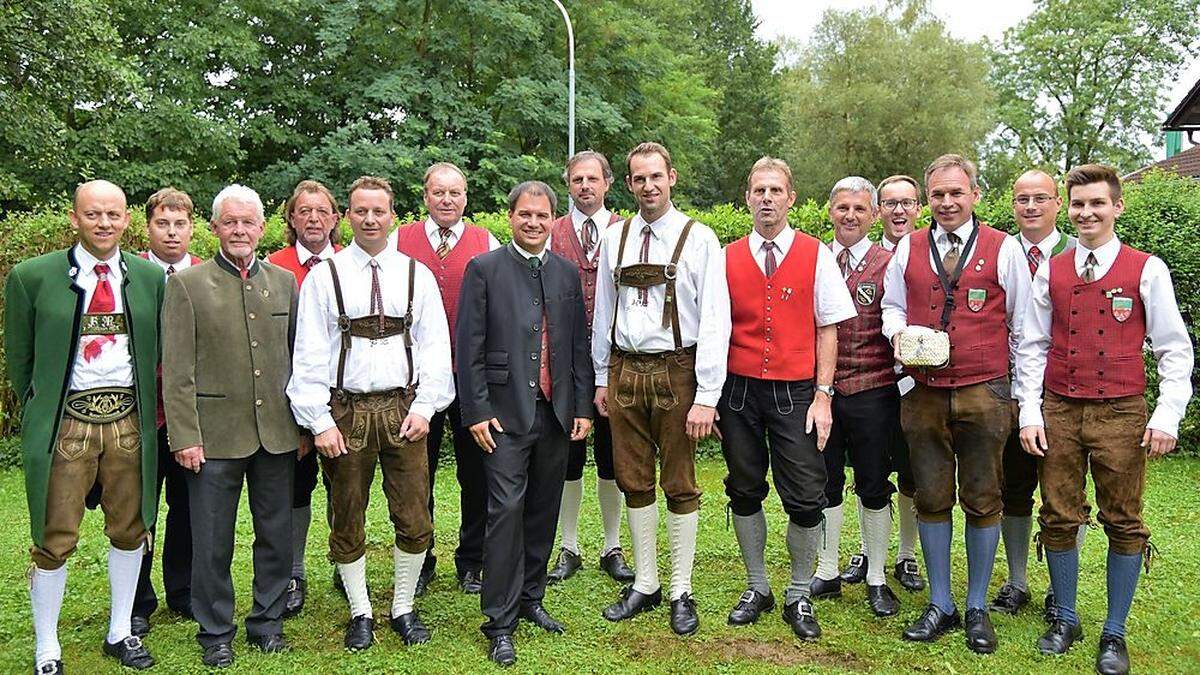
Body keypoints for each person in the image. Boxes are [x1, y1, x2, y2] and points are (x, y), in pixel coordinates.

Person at [1016, 164, 1193, 675]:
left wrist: (1167, 415)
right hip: (1061, 409)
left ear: (1117, 207)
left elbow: (1174, 349)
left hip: (1121, 411)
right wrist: (1031, 409)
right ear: (1067, 210)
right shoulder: (1053, 268)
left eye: (1096, 203)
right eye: (1077, 204)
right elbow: (1031, 344)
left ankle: (1114, 632)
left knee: (1123, 519)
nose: (1086, 213)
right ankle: (1065, 617)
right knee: (1057, 513)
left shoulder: (1146, 268)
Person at [288, 176, 453, 651]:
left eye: (379, 211)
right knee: (347, 514)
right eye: (361, 211)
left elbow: (436, 347)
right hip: (346, 410)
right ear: (348, 216)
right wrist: (318, 420)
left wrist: (426, 407)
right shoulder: (327, 275)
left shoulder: (415, 274)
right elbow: (309, 354)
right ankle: (361, 611)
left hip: (404, 407)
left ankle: (403, 606)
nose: (370, 219)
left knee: (415, 514)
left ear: (393, 216)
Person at [6, 180, 163, 673]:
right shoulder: (32, 277)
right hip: (67, 421)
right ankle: (47, 647)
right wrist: (45, 409)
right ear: (74, 218)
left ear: (126, 219)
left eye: (113, 215)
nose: (104, 223)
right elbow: (22, 362)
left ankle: (120, 632)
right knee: (54, 535)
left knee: (131, 528)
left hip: (129, 421)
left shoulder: (148, 277)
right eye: (93, 214)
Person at [881, 154, 1030, 654]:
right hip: (924, 392)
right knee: (930, 494)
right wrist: (899, 333)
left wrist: (1020, 398)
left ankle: (976, 606)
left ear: (975, 195)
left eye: (956, 193)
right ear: (929, 199)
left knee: (985, 497)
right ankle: (941, 602)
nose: (947, 202)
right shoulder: (908, 249)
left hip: (984, 390)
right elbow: (892, 304)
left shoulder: (1003, 247)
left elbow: (1025, 328)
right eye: (939, 194)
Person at [592, 142, 731, 636]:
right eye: (638, 179)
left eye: (656, 177)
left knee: (679, 480)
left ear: (671, 177)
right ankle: (646, 582)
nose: (648, 186)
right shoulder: (615, 238)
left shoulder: (700, 239)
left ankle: (680, 589)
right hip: (625, 370)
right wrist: (600, 375)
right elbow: (603, 311)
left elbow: (717, 321)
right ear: (628, 184)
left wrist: (708, 396)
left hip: (678, 371)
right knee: (633, 478)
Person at [163, 184, 302, 668]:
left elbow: (297, 361)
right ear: (215, 227)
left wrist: (303, 428)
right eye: (230, 222)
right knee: (213, 539)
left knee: (276, 533)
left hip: (276, 434)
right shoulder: (188, 285)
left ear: (262, 228)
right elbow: (177, 371)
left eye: (248, 222)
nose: (239, 230)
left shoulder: (285, 282)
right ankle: (215, 630)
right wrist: (184, 435)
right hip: (213, 437)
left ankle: (267, 622)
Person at [456, 181, 594, 666]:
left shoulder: (564, 273)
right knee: (505, 512)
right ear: (510, 217)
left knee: (542, 508)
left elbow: (577, 344)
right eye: (524, 215)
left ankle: (532, 597)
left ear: (553, 219)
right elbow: (468, 347)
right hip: (502, 415)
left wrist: (581, 406)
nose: (533, 222)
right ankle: (499, 619)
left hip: (555, 415)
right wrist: (476, 410)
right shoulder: (485, 269)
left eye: (542, 215)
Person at [718, 159, 855, 639]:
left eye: (777, 190)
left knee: (804, 494)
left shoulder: (816, 254)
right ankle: (758, 586)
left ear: (792, 198)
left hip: (795, 391)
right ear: (748, 197)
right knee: (744, 487)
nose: (767, 198)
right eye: (759, 190)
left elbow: (829, 327)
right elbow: (714, 328)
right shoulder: (727, 255)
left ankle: (798, 593)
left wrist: (823, 395)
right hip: (738, 391)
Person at [394, 162, 501, 595]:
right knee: (415, 474)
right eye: (438, 192)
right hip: (413, 381)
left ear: (466, 198)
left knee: (476, 474)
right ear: (425, 196)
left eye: (455, 193)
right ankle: (421, 558)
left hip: (470, 377)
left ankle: (472, 559)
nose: (447, 200)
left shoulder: (485, 242)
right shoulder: (400, 242)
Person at [812, 177, 904, 619]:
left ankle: (876, 576)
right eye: (842, 207)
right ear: (830, 211)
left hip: (873, 390)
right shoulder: (812, 257)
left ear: (873, 215)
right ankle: (827, 570)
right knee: (825, 482)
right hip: (822, 392)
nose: (850, 215)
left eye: (859, 209)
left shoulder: (890, 262)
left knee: (873, 484)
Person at [990, 169, 1081, 620]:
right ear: (1013, 205)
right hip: (1009, 387)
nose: (1031, 207)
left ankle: (1061, 589)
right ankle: (1017, 580)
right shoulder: (1002, 251)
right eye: (1022, 199)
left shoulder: (1077, 252)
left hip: (1066, 391)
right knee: (1015, 485)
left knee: (1066, 493)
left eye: (1040, 198)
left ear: (1058, 203)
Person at [546, 150, 634, 585]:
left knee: (611, 458)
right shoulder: (552, 230)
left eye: (592, 179)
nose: (585, 186)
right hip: (564, 359)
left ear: (608, 184)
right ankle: (569, 545)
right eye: (577, 179)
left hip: (615, 359)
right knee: (567, 456)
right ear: (568, 184)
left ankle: (612, 545)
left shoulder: (627, 230)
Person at [838, 174, 925, 594]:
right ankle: (868, 550)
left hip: (904, 384)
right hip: (859, 385)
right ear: (880, 211)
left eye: (906, 203)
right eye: (890, 203)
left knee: (906, 471)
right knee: (865, 471)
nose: (898, 211)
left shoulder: (922, 255)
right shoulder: (841, 254)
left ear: (917, 209)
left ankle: (905, 554)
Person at [266, 179, 343, 617]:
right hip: (285, 401)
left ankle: (343, 556)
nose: (313, 218)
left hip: (343, 400)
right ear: (291, 220)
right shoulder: (271, 268)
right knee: (295, 487)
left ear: (335, 219)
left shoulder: (352, 267)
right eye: (304, 211)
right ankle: (293, 570)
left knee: (344, 483)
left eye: (322, 211)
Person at [131, 187, 202, 635]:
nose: (171, 232)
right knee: (138, 510)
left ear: (192, 228)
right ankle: (137, 599)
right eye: (163, 223)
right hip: (141, 414)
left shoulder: (202, 275)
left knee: (187, 508)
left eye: (179, 224)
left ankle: (183, 591)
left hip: (192, 415)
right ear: (148, 227)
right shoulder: (132, 274)